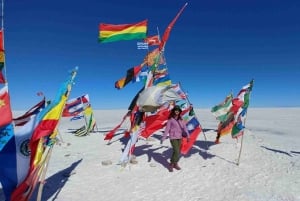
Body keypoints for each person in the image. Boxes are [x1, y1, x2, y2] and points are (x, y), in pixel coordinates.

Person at [161, 105, 190, 172]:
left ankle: (175, 163)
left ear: (179, 111)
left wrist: (188, 136)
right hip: (173, 137)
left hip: (180, 137)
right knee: (176, 151)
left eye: (178, 110)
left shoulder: (181, 119)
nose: (177, 111)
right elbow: (167, 129)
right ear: (173, 111)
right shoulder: (170, 120)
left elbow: (185, 128)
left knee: (177, 151)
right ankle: (171, 164)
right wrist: (163, 137)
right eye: (175, 110)